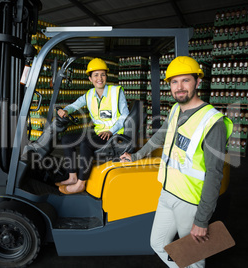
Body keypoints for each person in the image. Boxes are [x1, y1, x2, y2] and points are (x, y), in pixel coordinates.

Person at [120, 56, 233, 267]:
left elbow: (214, 174)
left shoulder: (212, 122)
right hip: (167, 192)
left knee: (195, 259)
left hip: (190, 202)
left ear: (198, 82)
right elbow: (159, 137)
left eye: (185, 80)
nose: (179, 87)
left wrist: (201, 220)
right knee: (158, 242)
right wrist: (136, 155)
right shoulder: (175, 110)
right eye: (174, 82)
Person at [57, 58, 129, 195]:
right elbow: (75, 105)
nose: (100, 78)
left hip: (115, 135)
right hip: (100, 134)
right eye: (96, 75)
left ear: (106, 76)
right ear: (90, 78)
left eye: (102, 74)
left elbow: (125, 116)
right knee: (67, 139)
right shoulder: (89, 95)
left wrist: (111, 130)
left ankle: (80, 183)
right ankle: (72, 176)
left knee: (86, 143)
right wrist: (66, 110)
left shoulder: (116, 92)